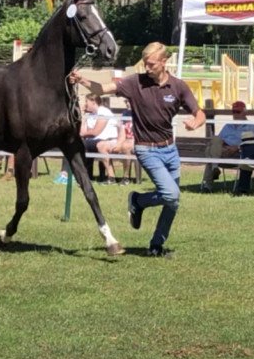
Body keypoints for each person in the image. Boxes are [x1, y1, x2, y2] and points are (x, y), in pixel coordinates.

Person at [69, 42, 206, 257]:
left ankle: (155, 246)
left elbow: (200, 113)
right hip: (146, 150)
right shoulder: (135, 83)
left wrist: (195, 123)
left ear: (163, 62)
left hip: (170, 150)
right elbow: (103, 89)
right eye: (145, 64)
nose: (147, 68)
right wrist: (83, 80)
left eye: (151, 64)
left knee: (173, 202)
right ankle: (138, 201)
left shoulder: (178, 87)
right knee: (171, 195)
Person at [200, 100, 254, 193]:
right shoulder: (228, 126)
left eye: (238, 112)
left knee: (210, 152)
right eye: (233, 112)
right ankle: (214, 168)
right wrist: (224, 147)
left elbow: (253, 143)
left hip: (239, 153)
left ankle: (208, 185)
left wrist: (237, 147)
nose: (235, 114)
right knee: (215, 140)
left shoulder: (252, 126)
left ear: (244, 112)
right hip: (223, 151)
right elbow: (218, 140)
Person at [79, 94, 119, 183]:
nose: (85, 104)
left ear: (93, 102)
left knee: (84, 145)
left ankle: (110, 177)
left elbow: (95, 132)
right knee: (81, 144)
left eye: (86, 102)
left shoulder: (103, 112)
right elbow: (83, 132)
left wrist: (84, 134)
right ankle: (87, 176)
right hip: (94, 140)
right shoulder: (91, 115)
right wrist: (83, 116)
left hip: (109, 140)